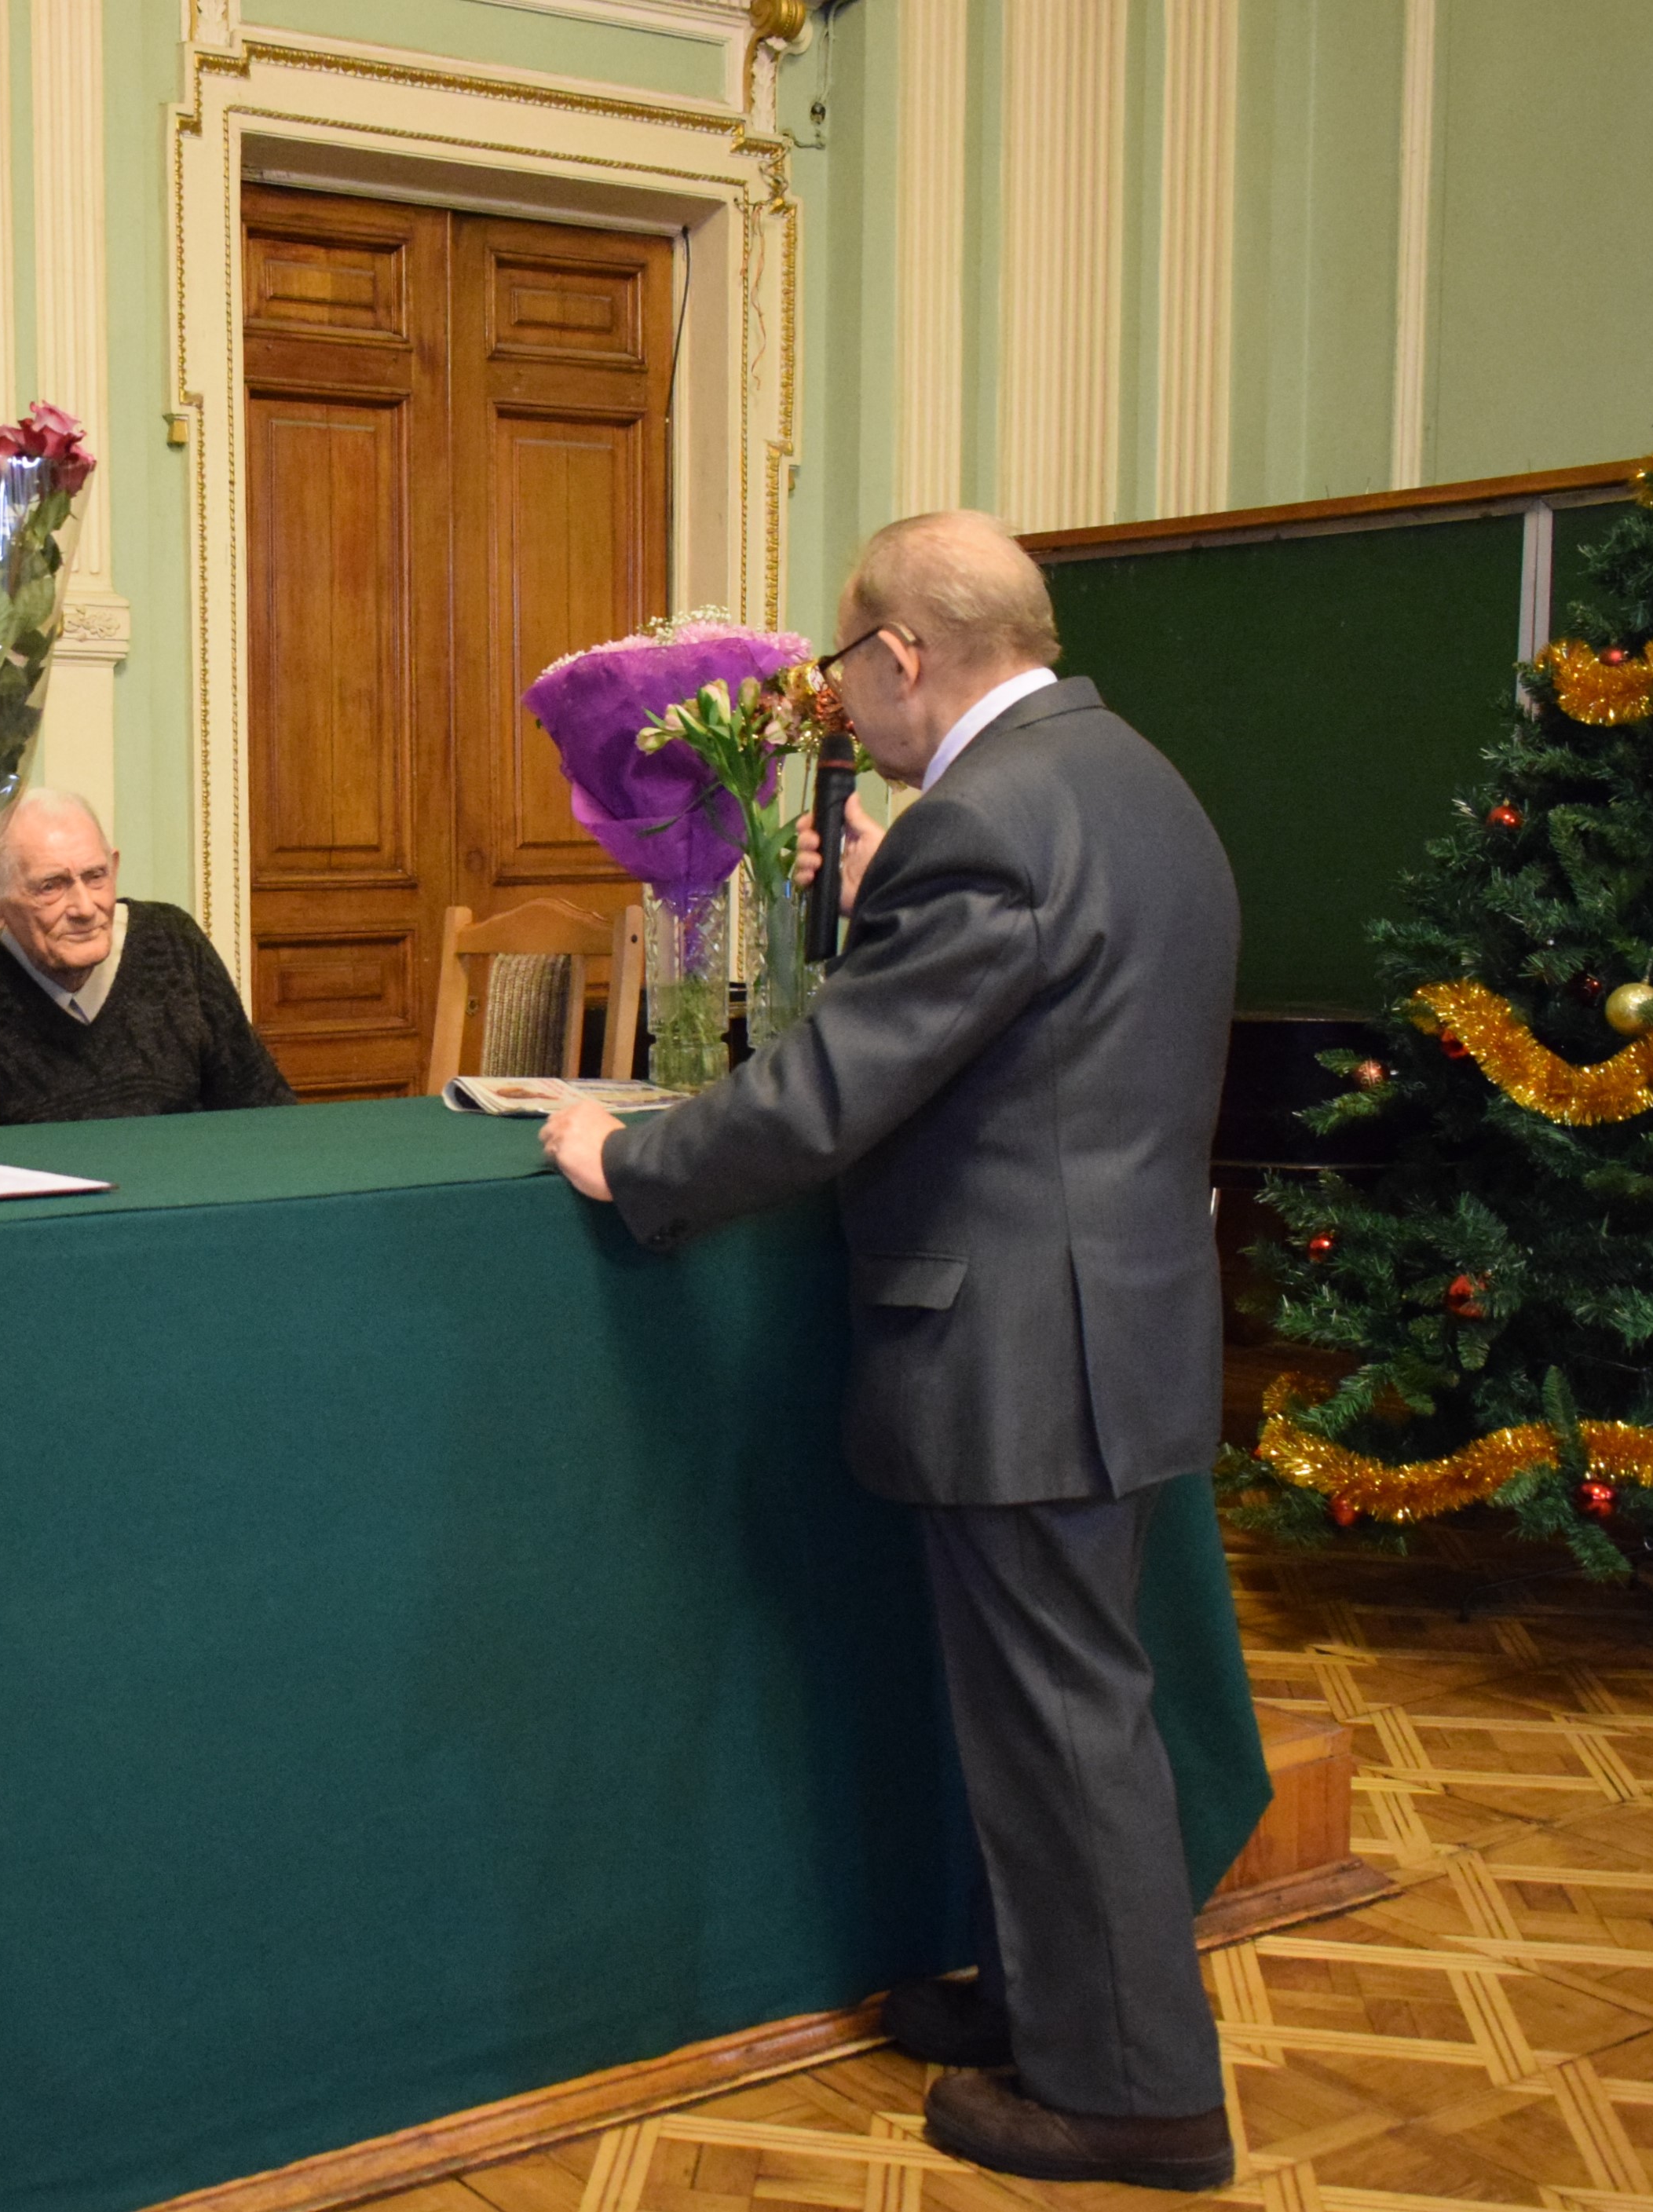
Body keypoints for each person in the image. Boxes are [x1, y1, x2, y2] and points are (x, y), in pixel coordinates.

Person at [536, 513, 1242, 2192]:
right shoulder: (1131, 778)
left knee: (1062, 1719)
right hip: (1117, 1329)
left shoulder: (982, 822)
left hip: (1022, 1349)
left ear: (901, 654)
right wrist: (881, 909)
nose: (842, 704)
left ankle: (1131, 2095)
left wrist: (630, 1160)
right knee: (1062, 1706)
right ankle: (1050, 2007)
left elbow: (825, 1093)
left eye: (847, 666)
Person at [0, 788, 297, 1123]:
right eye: (51, 886)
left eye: (96, 877)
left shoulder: (172, 941)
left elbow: (264, 1108)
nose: (85, 908)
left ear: (114, 867)